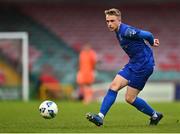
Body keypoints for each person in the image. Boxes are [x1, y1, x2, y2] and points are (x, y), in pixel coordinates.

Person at [86, 8, 163, 126]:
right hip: (133, 63)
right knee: (113, 86)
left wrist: (152, 42)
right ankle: (100, 117)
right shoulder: (118, 31)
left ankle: (154, 115)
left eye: (112, 21)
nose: (109, 24)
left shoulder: (127, 31)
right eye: (107, 21)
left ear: (119, 21)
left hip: (144, 65)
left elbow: (148, 34)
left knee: (130, 98)